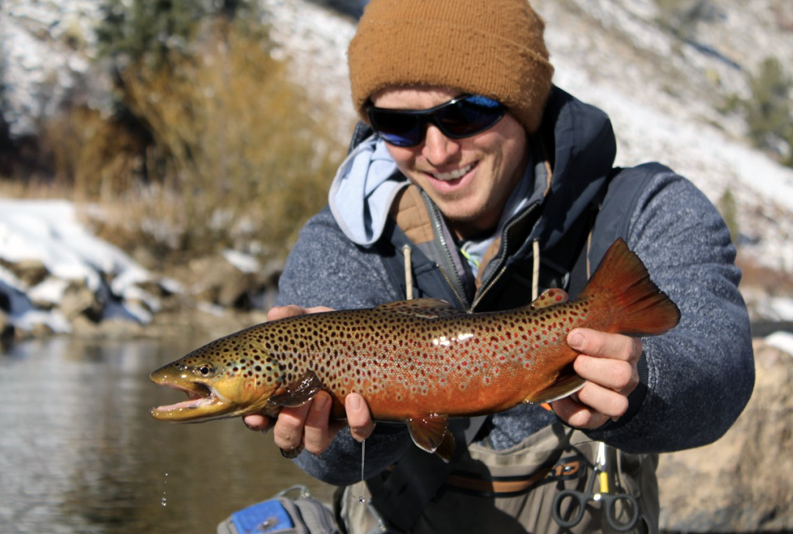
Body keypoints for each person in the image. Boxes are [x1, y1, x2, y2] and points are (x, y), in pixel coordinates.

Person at [242, 0, 755, 532]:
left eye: (464, 114)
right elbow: (325, 461)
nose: (437, 151)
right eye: (399, 125)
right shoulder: (347, 237)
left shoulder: (645, 209)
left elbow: (721, 370)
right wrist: (344, 428)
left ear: (523, 104)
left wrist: (640, 383)